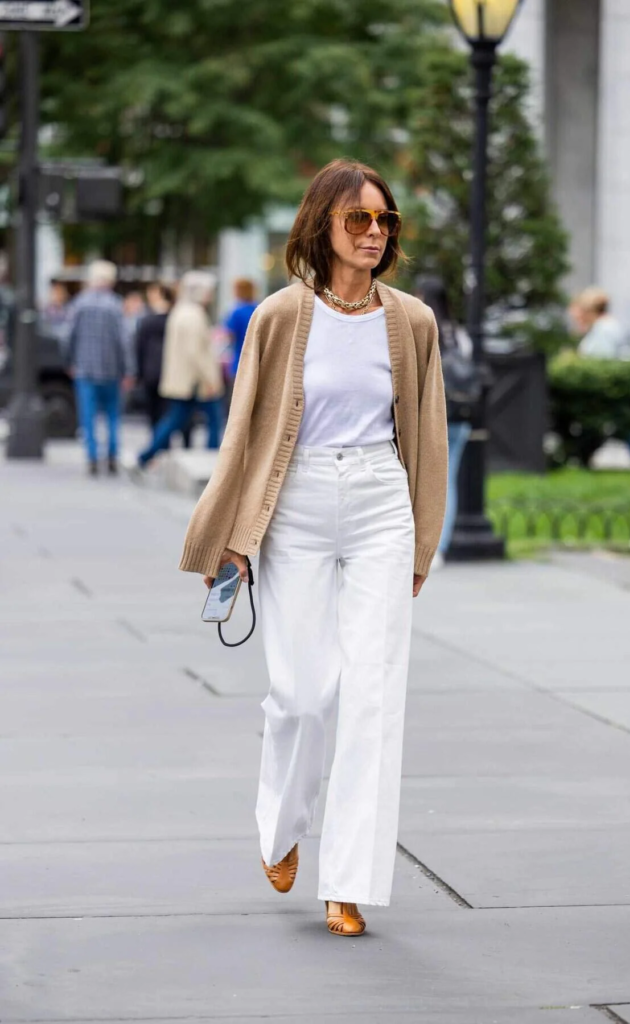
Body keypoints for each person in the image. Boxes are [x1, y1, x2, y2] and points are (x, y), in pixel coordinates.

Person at [178, 159, 448, 936]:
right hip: (294, 504)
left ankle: (349, 881)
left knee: (372, 694)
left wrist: (421, 544)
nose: (373, 232)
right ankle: (282, 823)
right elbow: (243, 436)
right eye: (357, 218)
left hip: (379, 501)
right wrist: (232, 539)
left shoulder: (412, 321)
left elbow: (427, 437)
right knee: (301, 692)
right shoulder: (277, 316)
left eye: (384, 220)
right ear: (321, 226)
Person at [415, 275, 473, 571]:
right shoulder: (459, 335)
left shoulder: (422, 329)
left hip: (433, 416)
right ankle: (440, 546)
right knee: (448, 481)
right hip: (460, 416)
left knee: (422, 480)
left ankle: (423, 544)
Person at [137, 271, 224, 466]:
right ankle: (212, 461)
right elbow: (196, 353)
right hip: (194, 381)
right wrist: (211, 379)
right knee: (212, 419)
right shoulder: (194, 315)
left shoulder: (180, 311)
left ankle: (146, 455)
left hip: (183, 380)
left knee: (174, 420)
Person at [67, 260, 131, 476]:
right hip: (112, 370)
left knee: (88, 417)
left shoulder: (80, 303)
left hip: (85, 369)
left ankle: (92, 457)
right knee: (113, 416)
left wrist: (69, 361)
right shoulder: (115, 305)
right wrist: (128, 369)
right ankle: (112, 456)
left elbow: (69, 336)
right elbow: (124, 340)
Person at [571, 287, 630, 463]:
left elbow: (601, 359)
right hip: (612, 385)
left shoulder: (604, 329)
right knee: (621, 423)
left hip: (605, 386)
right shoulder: (605, 327)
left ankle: (581, 457)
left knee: (607, 422)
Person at [135, 282, 175, 434]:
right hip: (167, 370)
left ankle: (156, 441)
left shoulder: (147, 321)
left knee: (154, 412)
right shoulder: (172, 319)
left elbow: (139, 348)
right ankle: (161, 441)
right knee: (165, 411)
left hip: (151, 371)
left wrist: (139, 373)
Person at [222, 278, 259, 381]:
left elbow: (229, 336)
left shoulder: (236, 312)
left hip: (239, 362)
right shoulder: (258, 308)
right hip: (256, 363)